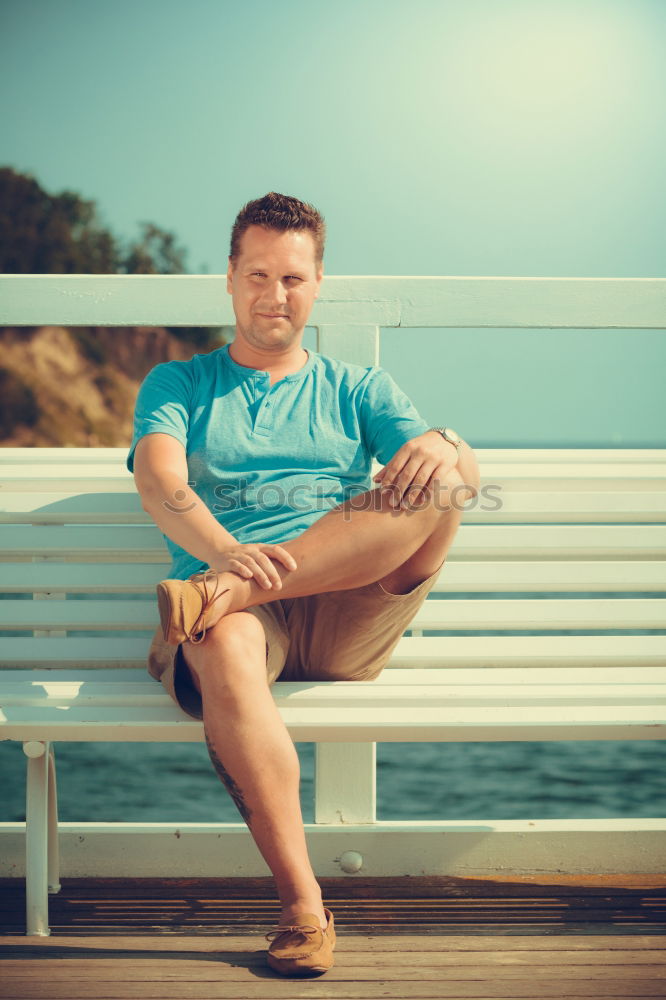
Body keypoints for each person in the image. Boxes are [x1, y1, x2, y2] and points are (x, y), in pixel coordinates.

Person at [126, 191, 480, 976]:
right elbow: (159, 483)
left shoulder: (360, 389)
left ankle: (224, 598)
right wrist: (224, 554)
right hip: (238, 614)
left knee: (453, 476)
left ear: (317, 283)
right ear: (228, 278)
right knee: (221, 641)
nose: (273, 295)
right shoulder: (179, 384)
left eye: (291, 278)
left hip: (345, 607)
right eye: (257, 275)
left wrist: (446, 441)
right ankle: (302, 909)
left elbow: (442, 473)